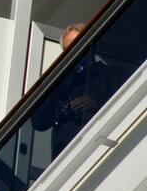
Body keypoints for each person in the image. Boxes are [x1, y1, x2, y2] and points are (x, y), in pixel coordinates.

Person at [31, 23, 131, 161]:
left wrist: (97, 105)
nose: (73, 52)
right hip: (66, 159)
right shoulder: (59, 84)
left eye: (78, 45)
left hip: (107, 153)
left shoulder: (114, 74)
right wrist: (63, 109)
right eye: (67, 49)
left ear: (92, 46)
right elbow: (38, 122)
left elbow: (132, 105)